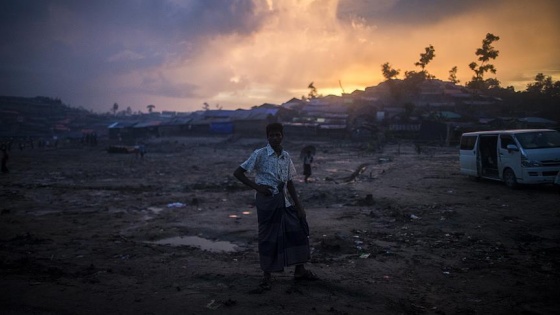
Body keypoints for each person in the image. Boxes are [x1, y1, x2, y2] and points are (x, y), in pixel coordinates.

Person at [233, 123, 318, 290]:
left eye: (277, 135)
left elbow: (290, 182)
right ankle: (267, 275)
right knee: (268, 237)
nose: (274, 138)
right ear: (267, 137)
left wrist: (299, 206)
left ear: (282, 136)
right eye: (271, 135)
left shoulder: (286, 156)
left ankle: (299, 270)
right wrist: (257, 187)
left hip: (284, 201)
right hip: (267, 202)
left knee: (298, 231)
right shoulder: (260, 154)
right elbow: (238, 173)